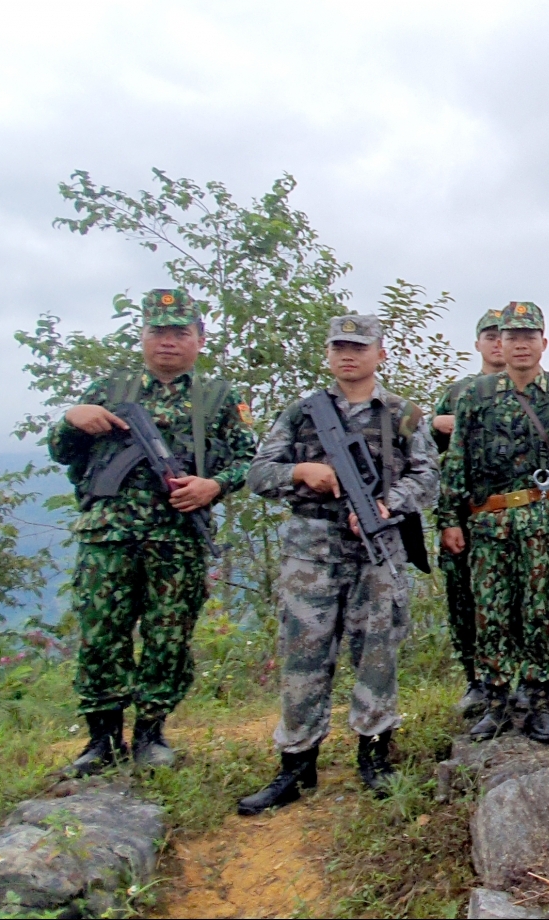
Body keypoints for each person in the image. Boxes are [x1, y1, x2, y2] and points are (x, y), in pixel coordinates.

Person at [238, 315, 441, 814]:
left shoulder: (403, 414)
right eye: (340, 347)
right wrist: (301, 472)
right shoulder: (302, 414)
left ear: (380, 353)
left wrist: (388, 505)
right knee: (303, 654)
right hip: (311, 551)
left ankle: (374, 755)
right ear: (328, 354)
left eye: (360, 346)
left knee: (377, 651)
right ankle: (296, 764)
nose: (349, 355)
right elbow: (259, 474)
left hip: (378, 547)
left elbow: (429, 477)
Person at [50, 289, 257, 776]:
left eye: (180, 333)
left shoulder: (221, 399)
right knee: (102, 635)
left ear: (200, 340)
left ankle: (150, 733)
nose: (168, 342)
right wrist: (70, 419)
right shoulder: (108, 388)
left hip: (177, 536)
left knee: (169, 636)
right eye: (158, 332)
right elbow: (62, 452)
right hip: (108, 534)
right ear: (142, 335)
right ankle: (101, 739)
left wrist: (213, 486)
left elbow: (251, 461)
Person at [438, 301, 549, 745]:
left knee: (539, 613)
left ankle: (538, 702)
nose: (521, 344)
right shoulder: (475, 395)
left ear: (543, 343)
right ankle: (495, 703)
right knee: (490, 614)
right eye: (512, 337)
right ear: (499, 343)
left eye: (529, 337)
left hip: (539, 521)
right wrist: (448, 520)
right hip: (486, 523)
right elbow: (458, 463)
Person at [429, 309, 503, 721]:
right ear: (477, 343)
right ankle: (475, 680)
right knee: (463, 601)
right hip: (465, 513)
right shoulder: (457, 393)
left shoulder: (531, 391)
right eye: (489, 336)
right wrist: (436, 424)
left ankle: (514, 683)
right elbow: (430, 451)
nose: (497, 343)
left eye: (503, 336)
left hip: (513, 515)